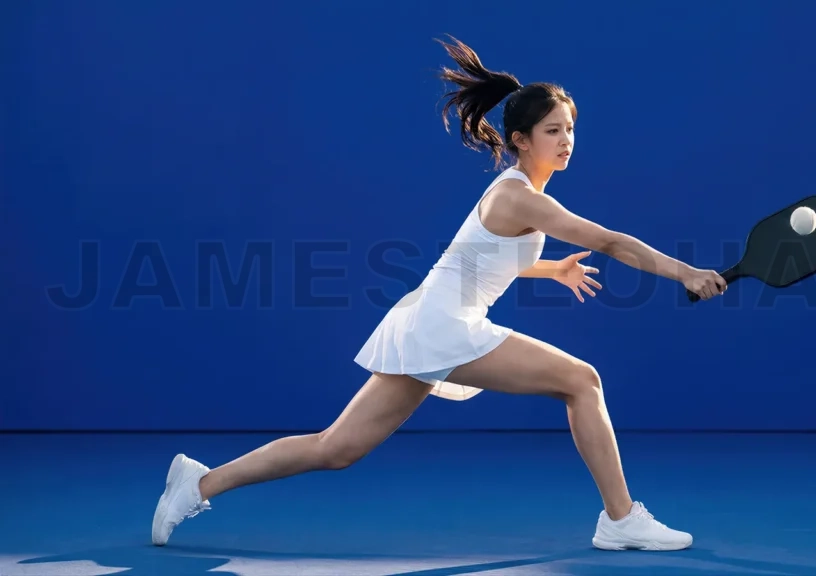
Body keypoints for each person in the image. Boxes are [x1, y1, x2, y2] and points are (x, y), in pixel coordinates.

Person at [151, 35, 727, 551]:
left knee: (337, 449)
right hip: (447, 324)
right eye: (553, 130)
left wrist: (549, 270)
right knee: (583, 380)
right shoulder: (523, 198)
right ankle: (621, 519)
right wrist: (686, 273)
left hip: (431, 318)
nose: (566, 139)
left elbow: (475, 261)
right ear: (520, 140)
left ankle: (199, 482)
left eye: (571, 128)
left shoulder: (519, 194)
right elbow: (610, 240)